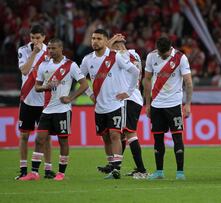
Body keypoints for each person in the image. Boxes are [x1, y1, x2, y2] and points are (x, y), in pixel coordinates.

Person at [19, 38, 88, 181]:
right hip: (47, 110)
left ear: (61, 49)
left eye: (53, 48)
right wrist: (46, 87)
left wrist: (71, 97)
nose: (50, 51)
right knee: (39, 140)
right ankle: (34, 173)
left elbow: (84, 84)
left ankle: (61, 173)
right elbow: (37, 87)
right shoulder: (44, 65)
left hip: (63, 110)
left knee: (63, 141)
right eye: (49, 48)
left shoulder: (71, 65)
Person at [80, 29, 140, 179]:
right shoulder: (87, 59)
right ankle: (111, 164)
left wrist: (128, 91)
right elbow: (80, 78)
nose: (95, 41)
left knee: (115, 135)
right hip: (99, 106)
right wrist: (90, 94)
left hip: (115, 104)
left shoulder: (116, 57)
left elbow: (134, 71)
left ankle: (116, 169)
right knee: (105, 137)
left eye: (99, 39)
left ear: (105, 40)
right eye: (93, 38)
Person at [97, 34, 148, 179]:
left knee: (130, 133)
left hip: (128, 97)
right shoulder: (134, 54)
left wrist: (111, 42)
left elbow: (104, 53)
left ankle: (141, 169)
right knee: (122, 133)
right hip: (135, 97)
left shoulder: (121, 55)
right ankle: (114, 166)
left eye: (113, 45)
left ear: (117, 46)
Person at [143, 36, 193, 180]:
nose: (161, 56)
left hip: (174, 104)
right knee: (158, 139)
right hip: (156, 105)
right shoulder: (152, 56)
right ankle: (159, 172)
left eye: (164, 54)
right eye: (160, 53)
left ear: (170, 48)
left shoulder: (180, 58)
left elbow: (188, 82)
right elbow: (146, 79)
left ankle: (180, 172)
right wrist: (147, 104)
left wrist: (188, 104)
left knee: (177, 137)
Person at [16, 24, 55, 179]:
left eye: (38, 38)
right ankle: (24, 169)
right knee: (24, 136)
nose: (35, 40)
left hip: (44, 101)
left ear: (44, 37)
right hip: (27, 99)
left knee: (45, 137)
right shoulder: (24, 50)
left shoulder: (50, 52)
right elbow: (24, 70)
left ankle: (47, 170)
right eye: (32, 37)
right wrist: (33, 53)